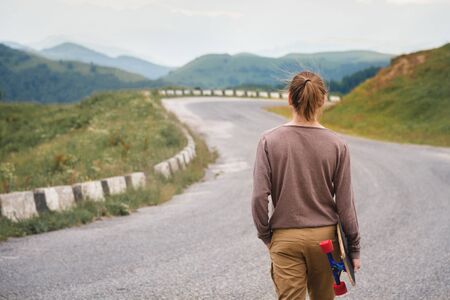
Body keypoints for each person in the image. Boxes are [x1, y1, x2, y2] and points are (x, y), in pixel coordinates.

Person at [251, 71, 361, 300]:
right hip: (326, 241)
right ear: (323, 100)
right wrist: (354, 249)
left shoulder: (269, 140)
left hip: (285, 238)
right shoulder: (337, 145)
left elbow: (259, 197)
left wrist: (266, 236)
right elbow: (345, 205)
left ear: (290, 97)